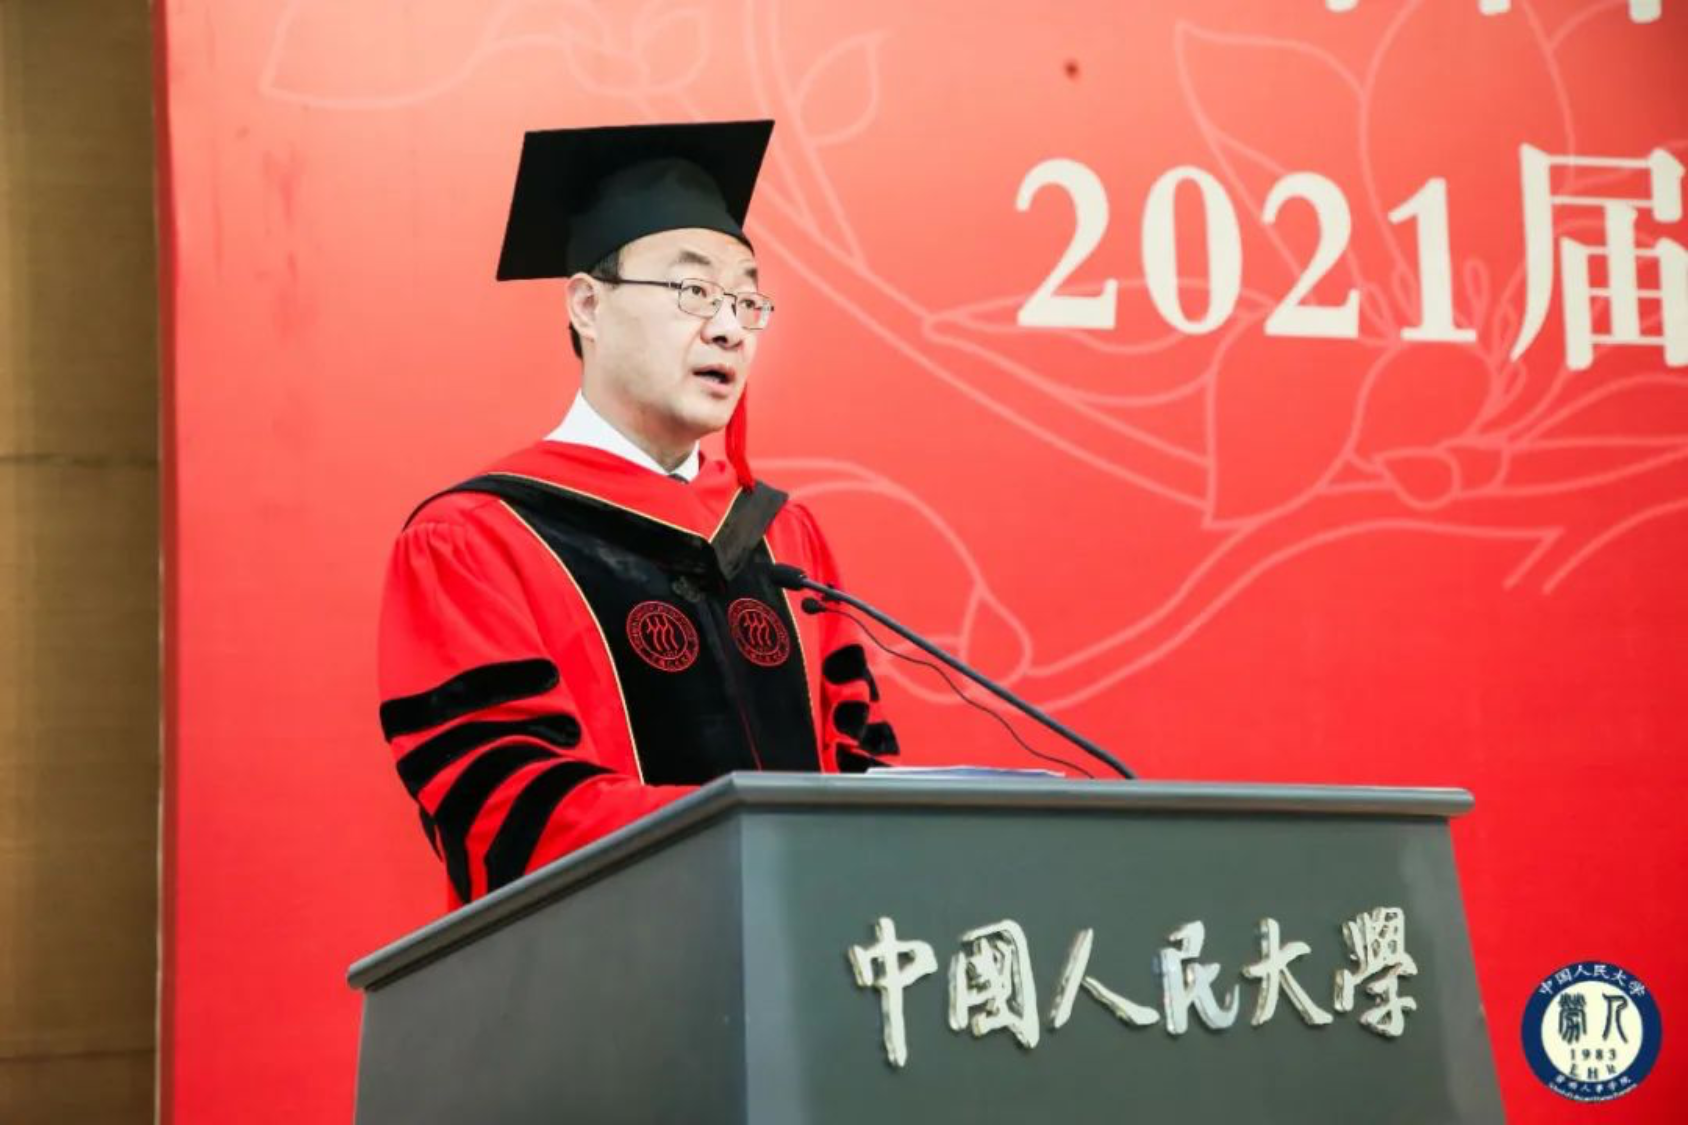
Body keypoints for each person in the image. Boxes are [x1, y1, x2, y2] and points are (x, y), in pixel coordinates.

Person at [377, 120, 898, 908]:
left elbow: (859, 760)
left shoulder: (783, 539)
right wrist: (766, 836)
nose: (728, 327)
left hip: (808, 953)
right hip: (606, 962)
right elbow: (509, 806)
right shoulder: (476, 541)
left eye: (745, 299)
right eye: (694, 292)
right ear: (588, 305)